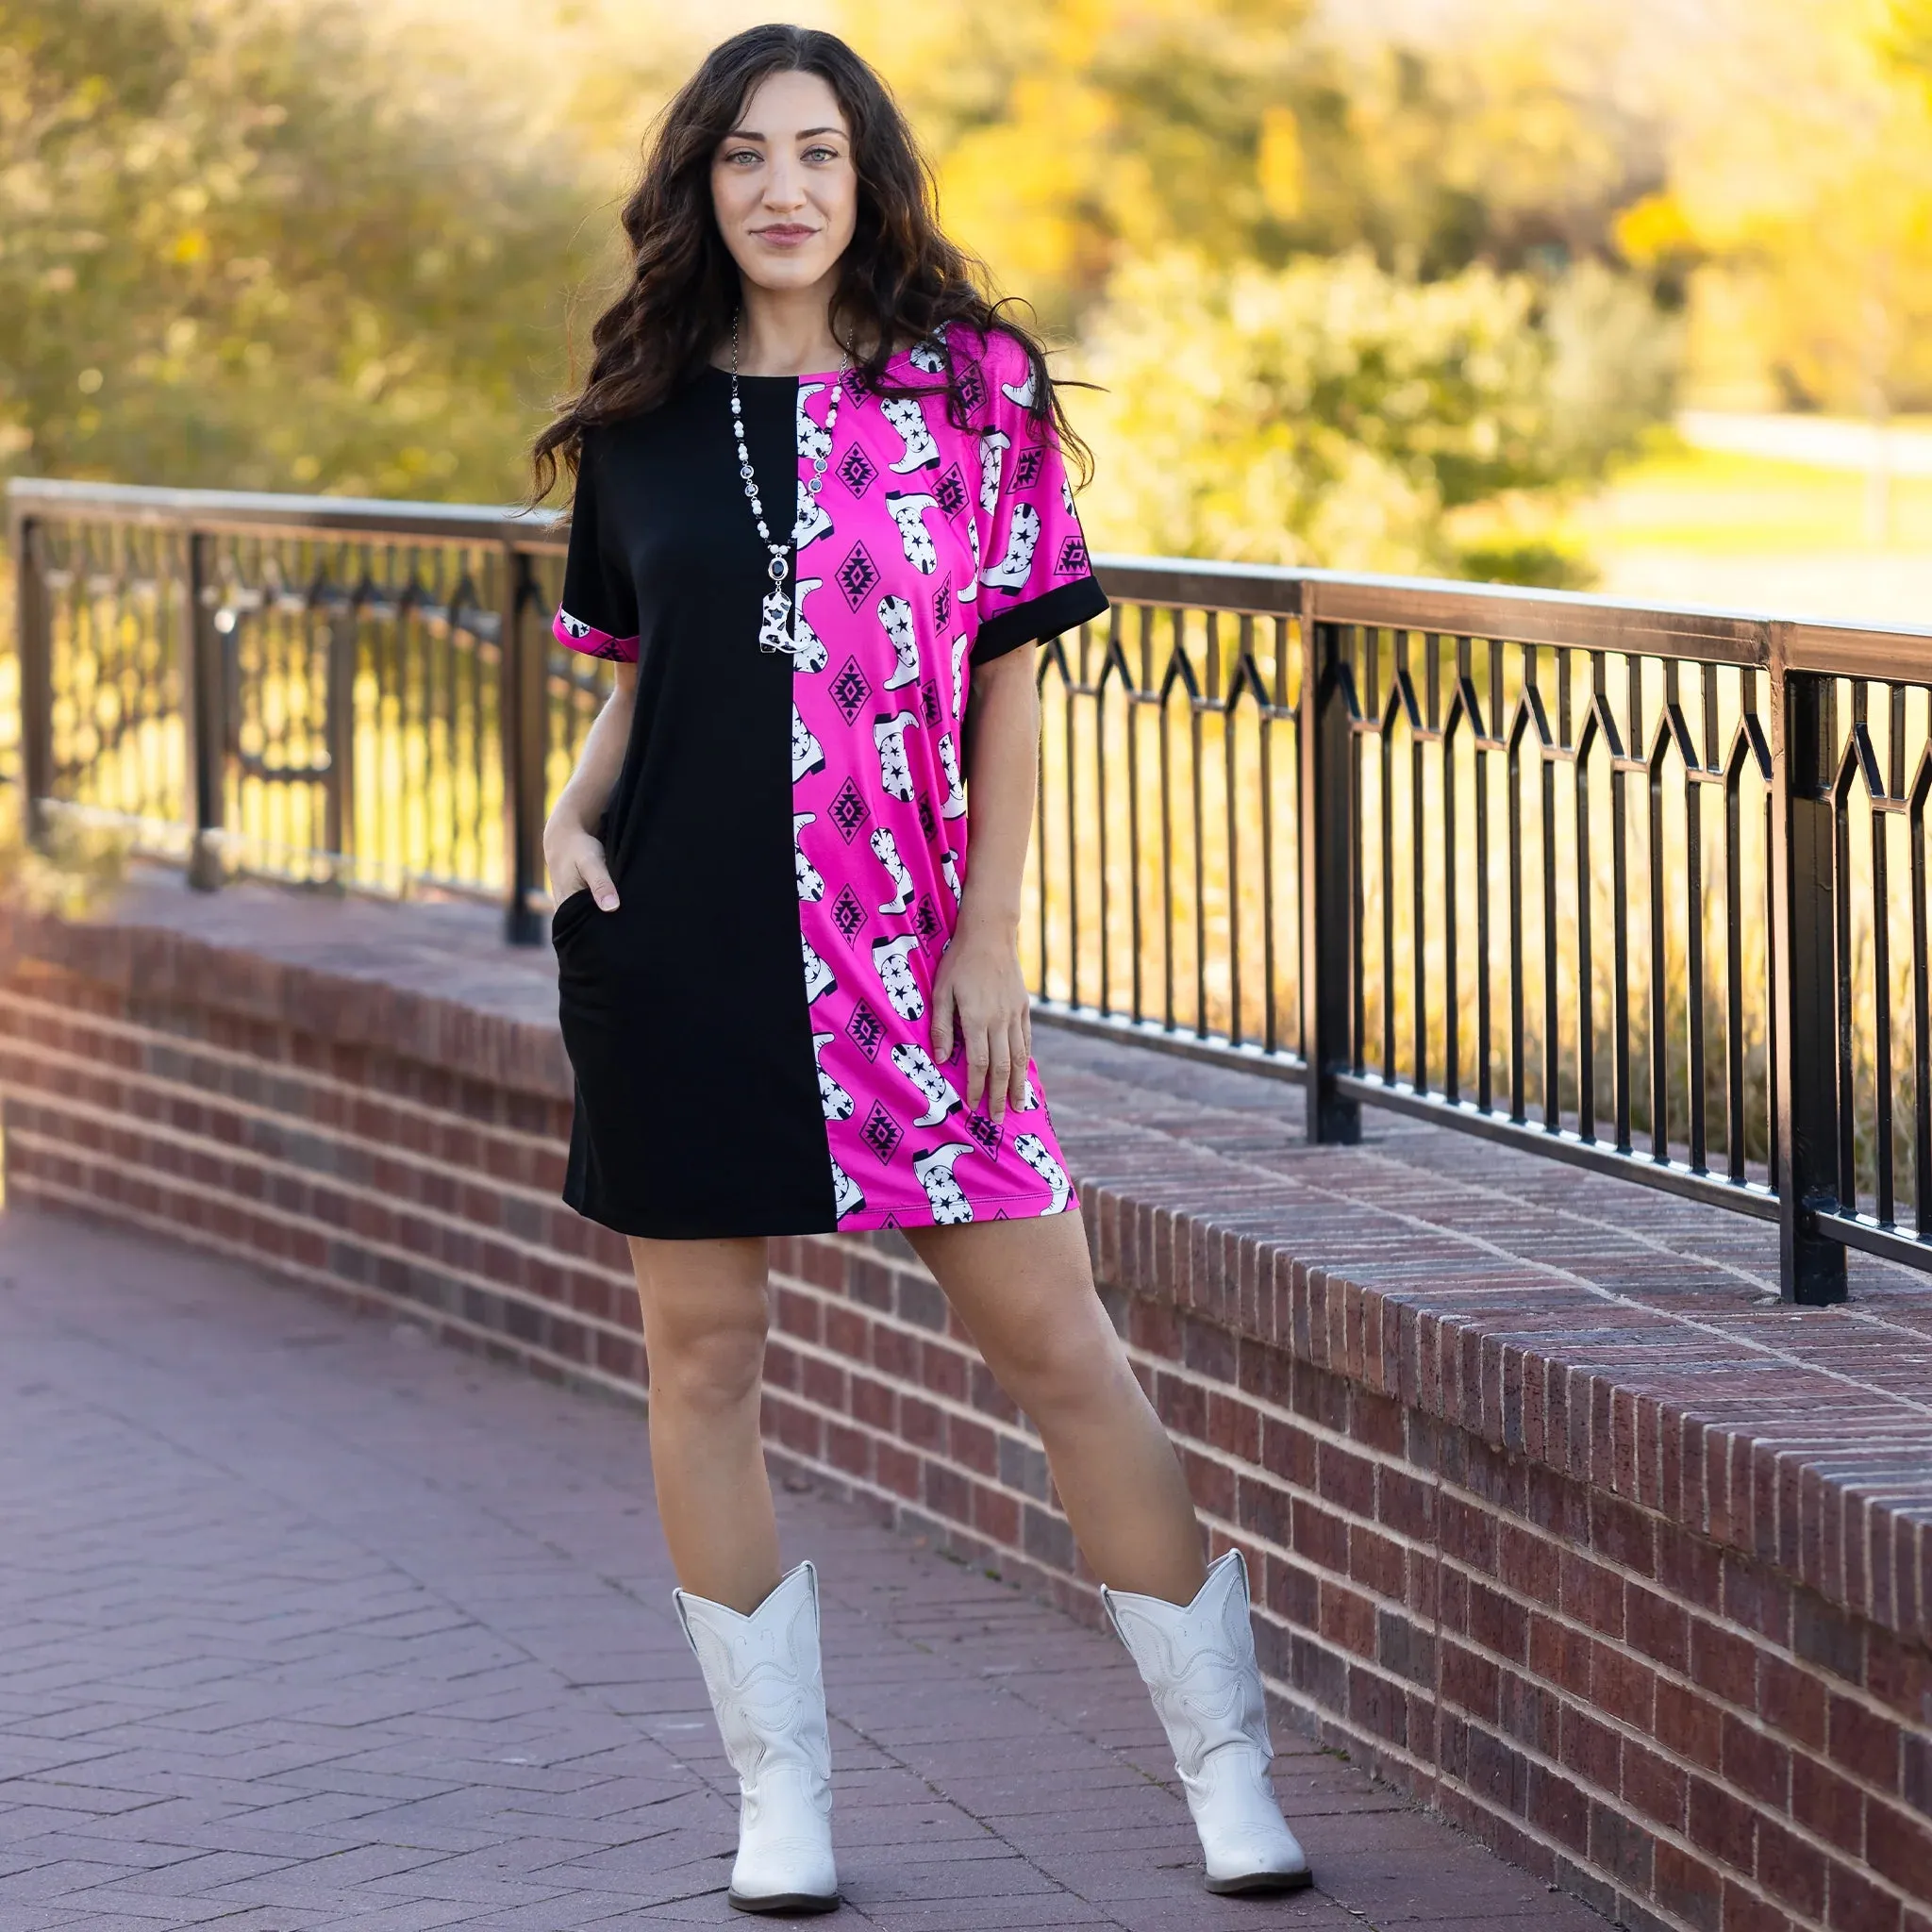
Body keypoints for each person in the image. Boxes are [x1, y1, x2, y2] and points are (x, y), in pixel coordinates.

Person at [531, 23, 1311, 1915]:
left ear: (868, 176)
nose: (783, 188)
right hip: (678, 942)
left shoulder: (975, 395)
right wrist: (565, 813)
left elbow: (1012, 686)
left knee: (1062, 1347)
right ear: (696, 188)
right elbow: (647, 673)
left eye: (817, 152)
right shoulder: (637, 414)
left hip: (907, 956)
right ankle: (778, 1797)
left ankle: (1222, 1768)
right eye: (742, 157)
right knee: (700, 1365)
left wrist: (991, 932)